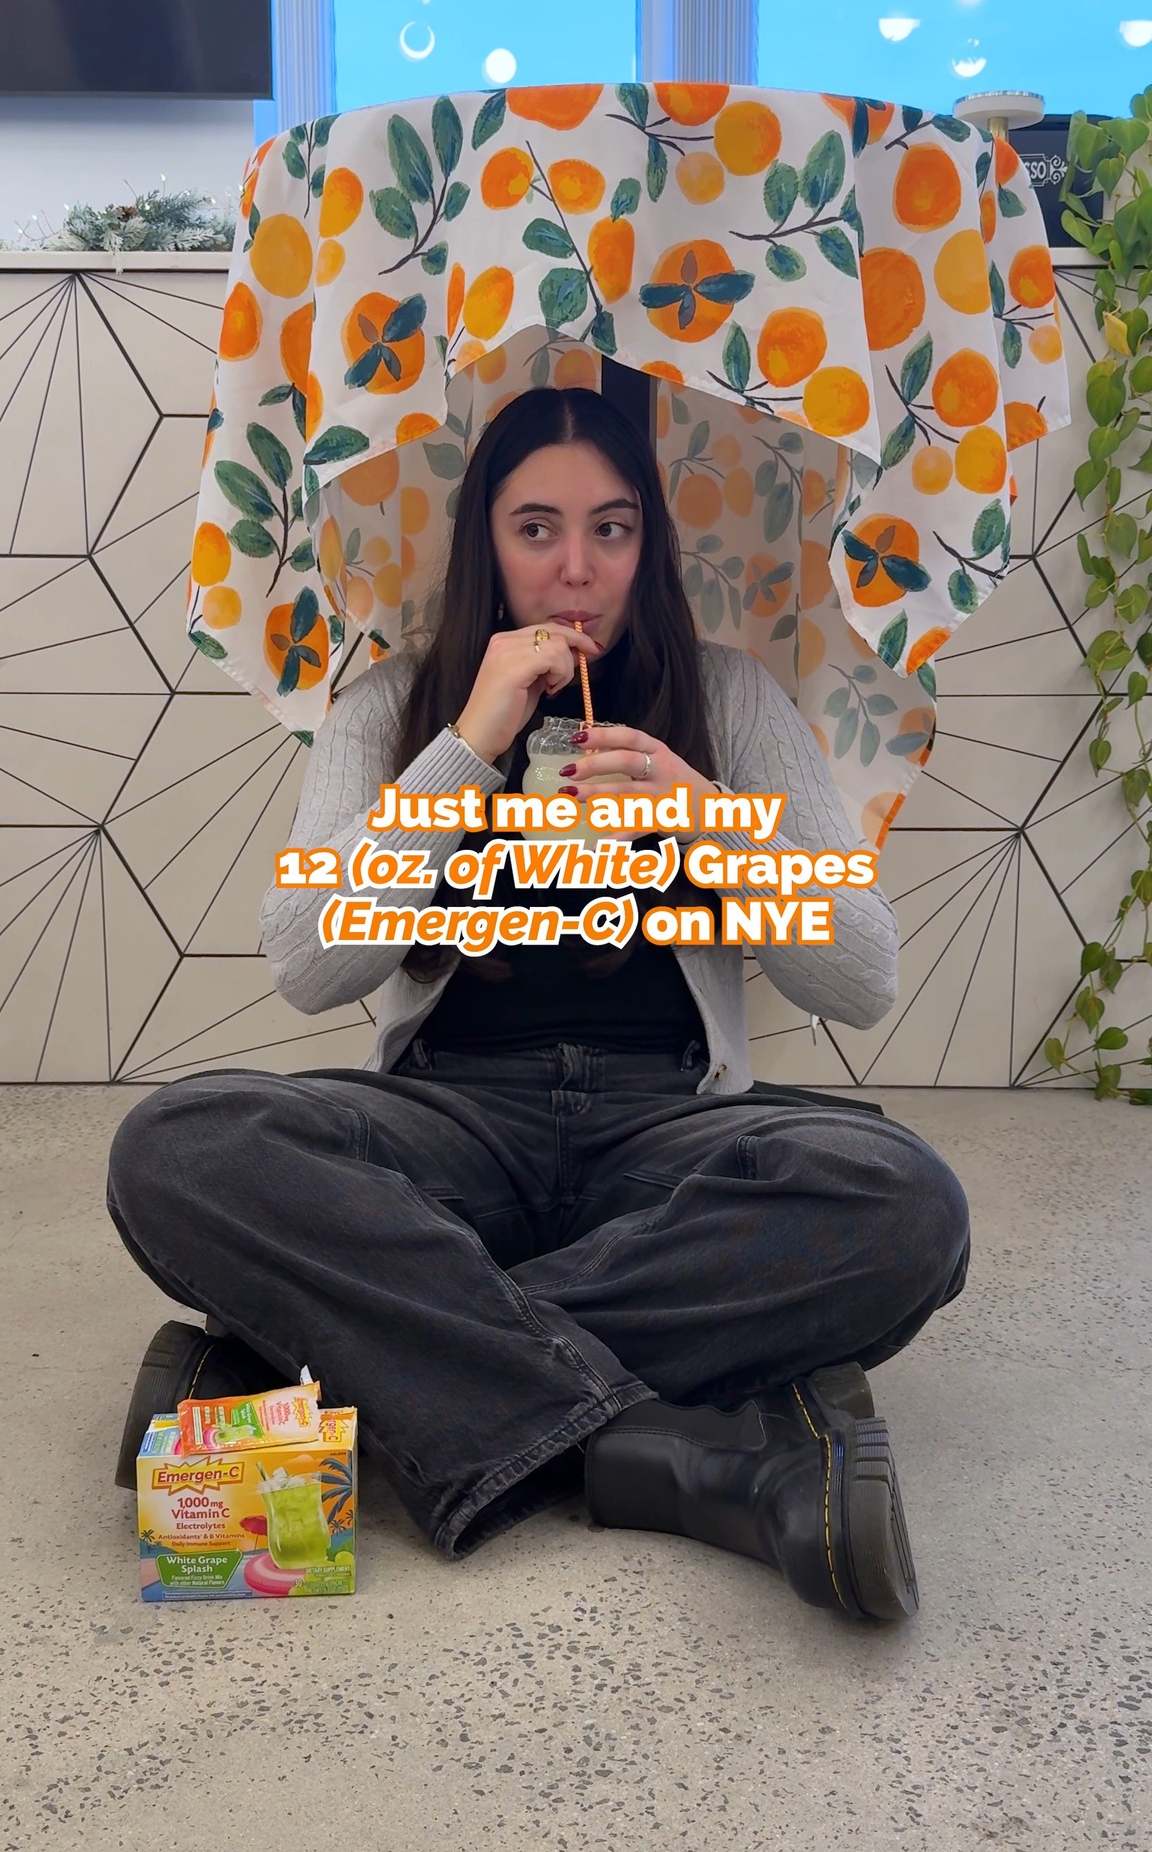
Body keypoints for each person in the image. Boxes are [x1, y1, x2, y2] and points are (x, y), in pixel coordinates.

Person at [108, 385, 970, 1624]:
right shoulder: (395, 702)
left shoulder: (726, 696)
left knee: (907, 1203)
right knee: (178, 1146)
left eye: (612, 528)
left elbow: (863, 977)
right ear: (485, 545)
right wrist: (467, 746)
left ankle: (343, 1352)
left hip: (667, 1129)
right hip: (446, 1126)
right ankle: (675, 1451)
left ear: (648, 544)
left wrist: (706, 816)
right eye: (537, 529)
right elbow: (306, 962)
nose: (577, 568)